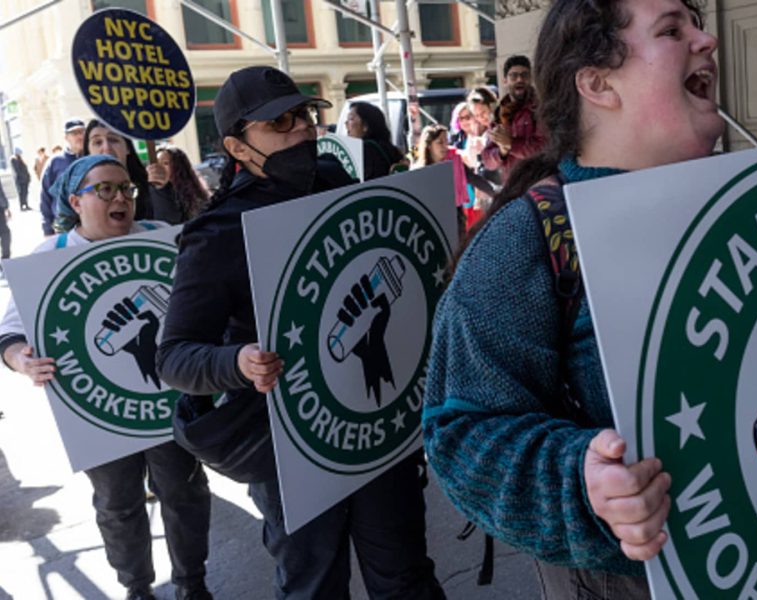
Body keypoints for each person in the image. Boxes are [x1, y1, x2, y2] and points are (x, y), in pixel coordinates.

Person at [423, 0, 723, 597]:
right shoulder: (528, 239)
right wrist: (582, 484)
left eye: (697, 23)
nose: (707, 41)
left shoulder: (741, 201)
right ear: (597, 84)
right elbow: (458, 434)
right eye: (672, 29)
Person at [156, 65, 445, 599]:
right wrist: (236, 362)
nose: (303, 130)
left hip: (375, 430)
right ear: (237, 147)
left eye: (304, 115)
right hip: (291, 444)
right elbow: (173, 357)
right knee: (314, 586)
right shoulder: (217, 233)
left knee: (405, 577)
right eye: (279, 123)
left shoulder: (337, 184)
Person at [0, 154, 213, 600]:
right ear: (75, 201)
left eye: (126, 189)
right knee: (118, 504)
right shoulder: (49, 256)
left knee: (185, 491)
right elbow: (10, 333)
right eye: (105, 189)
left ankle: (192, 583)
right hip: (97, 414)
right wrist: (21, 359)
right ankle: (137, 587)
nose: (121, 198)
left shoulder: (159, 235)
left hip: (168, 402)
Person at [414, 124, 494, 233]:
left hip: (456, 213)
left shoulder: (454, 160)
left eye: (446, 141)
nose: (445, 146)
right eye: (440, 142)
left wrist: (495, 194)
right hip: (433, 217)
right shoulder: (420, 171)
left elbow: (473, 178)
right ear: (429, 145)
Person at [481, 55, 546, 181]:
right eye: (514, 76)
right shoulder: (499, 113)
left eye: (524, 75)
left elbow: (544, 149)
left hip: (537, 181)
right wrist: (502, 151)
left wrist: (511, 144)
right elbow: (488, 161)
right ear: (505, 80)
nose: (519, 79)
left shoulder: (540, 108)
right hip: (511, 184)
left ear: (531, 79)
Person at [81, 120, 154, 221]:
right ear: (88, 152)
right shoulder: (81, 193)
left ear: (128, 148)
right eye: (98, 142)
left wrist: (160, 190)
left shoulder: (151, 184)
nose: (106, 148)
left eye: (113, 140)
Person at [40, 119, 85, 236]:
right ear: (66, 137)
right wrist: (47, 229)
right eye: (75, 133)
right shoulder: (55, 162)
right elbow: (45, 196)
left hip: (92, 225)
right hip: (64, 227)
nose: (80, 136)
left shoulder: (93, 158)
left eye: (82, 132)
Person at [344, 101, 408, 179]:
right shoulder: (392, 150)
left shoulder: (365, 150)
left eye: (351, 119)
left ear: (365, 126)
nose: (346, 123)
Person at [147, 146, 208, 225]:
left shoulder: (193, 194)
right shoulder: (151, 191)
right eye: (157, 163)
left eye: (165, 163)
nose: (160, 167)